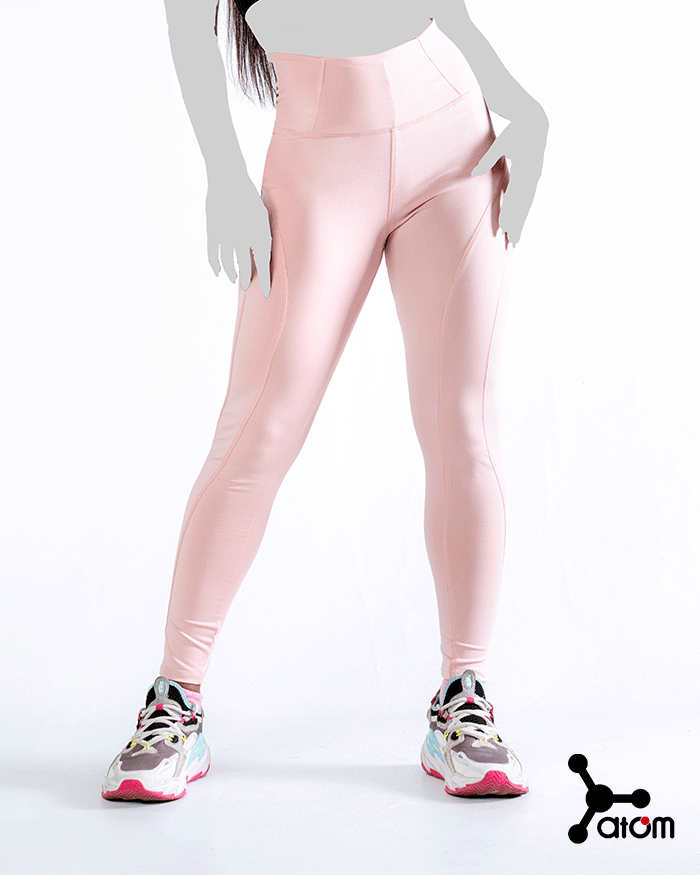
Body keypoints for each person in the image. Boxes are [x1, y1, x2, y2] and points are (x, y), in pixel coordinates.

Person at [101, 0, 548, 803]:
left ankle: (465, 696)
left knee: (462, 426)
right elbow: (187, 25)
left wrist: (519, 100)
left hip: (456, 140)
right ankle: (176, 700)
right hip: (319, 164)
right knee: (259, 428)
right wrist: (224, 175)